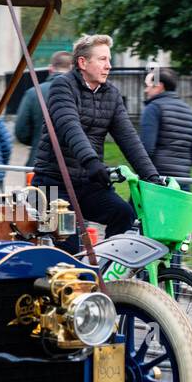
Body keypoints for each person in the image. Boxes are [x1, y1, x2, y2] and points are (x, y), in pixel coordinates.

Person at [31, 34, 164, 249]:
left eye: (109, 60)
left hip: (88, 184)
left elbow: (128, 138)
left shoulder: (111, 93)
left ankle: (107, 269)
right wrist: (92, 162)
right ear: (83, 63)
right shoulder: (62, 87)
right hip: (54, 184)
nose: (109, 66)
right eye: (102, 59)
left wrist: (152, 176)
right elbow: (69, 127)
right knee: (70, 248)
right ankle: (80, 275)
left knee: (123, 214)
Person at [140, 66, 192, 189]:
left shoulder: (153, 108)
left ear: (159, 86)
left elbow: (145, 149)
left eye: (148, 85)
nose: (146, 90)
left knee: (132, 209)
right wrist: (180, 168)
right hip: (182, 183)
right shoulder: (188, 110)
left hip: (157, 182)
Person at [14, 50, 71, 166]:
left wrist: (37, 140)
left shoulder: (33, 93)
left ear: (51, 69)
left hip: (39, 163)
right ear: (72, 69)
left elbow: (21, 132)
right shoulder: (83, 94)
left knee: (43, 186)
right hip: (73, 167)